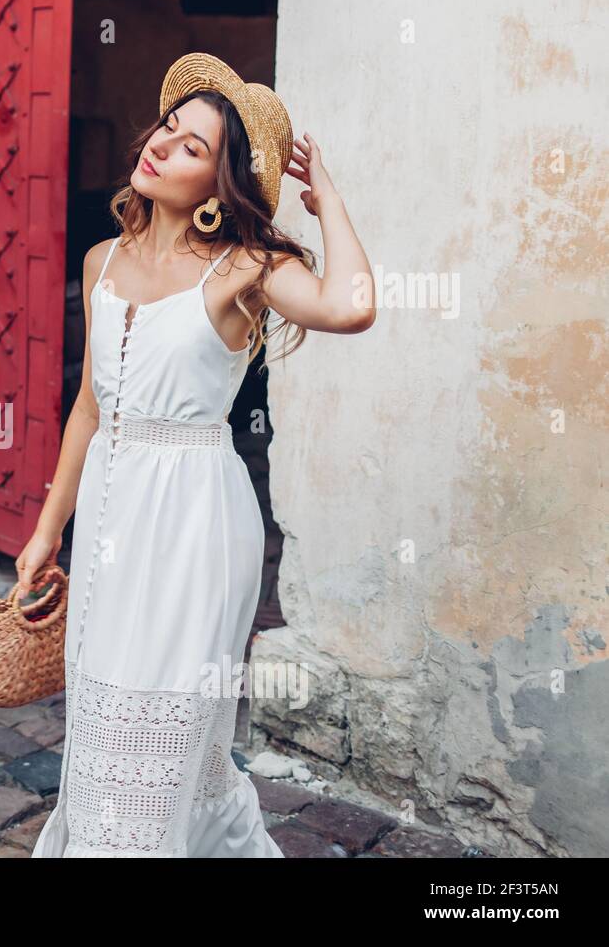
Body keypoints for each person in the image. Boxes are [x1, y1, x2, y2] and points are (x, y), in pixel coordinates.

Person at [20, 53, 374, 857]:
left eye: (189, 147)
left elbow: (352, 308)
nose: (161, 146)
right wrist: (48, 532)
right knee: (107, 716)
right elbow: (88, 409)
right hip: (113, 518)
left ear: (221, 183)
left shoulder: (239, 270)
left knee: (167, 719)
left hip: (195, 526)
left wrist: (332, 204)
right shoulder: (100, 262)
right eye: (167, 129)